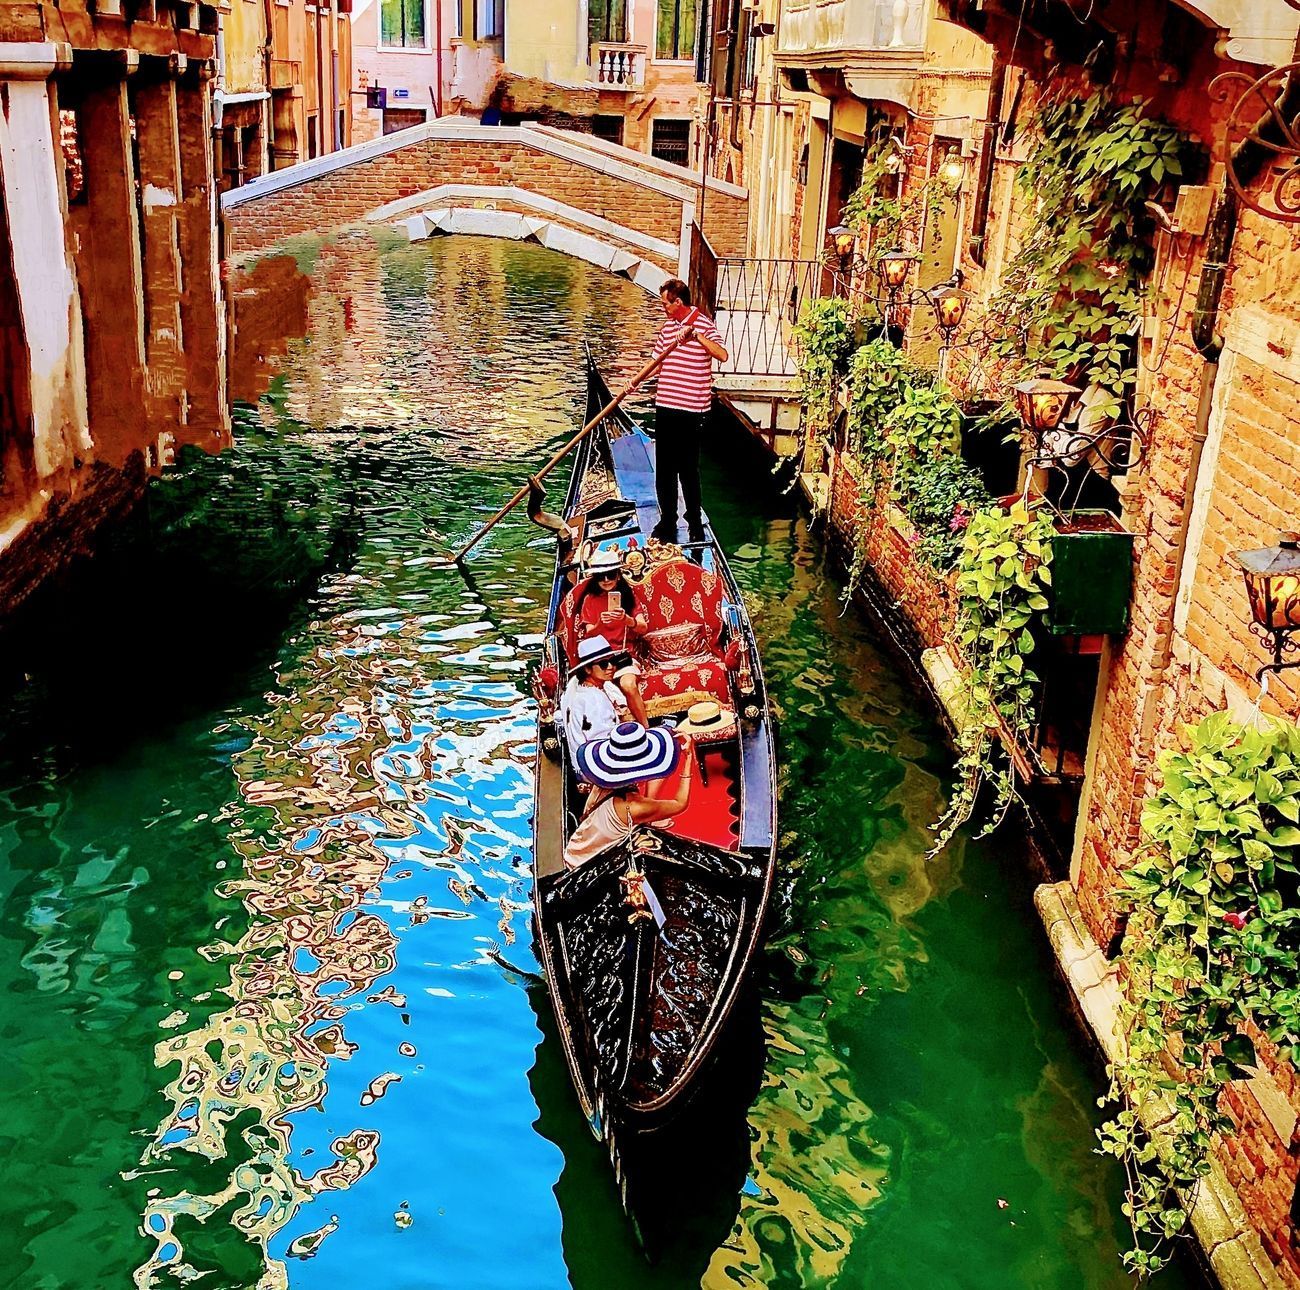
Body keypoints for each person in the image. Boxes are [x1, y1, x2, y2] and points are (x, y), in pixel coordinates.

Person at [648, 278, 728, 546]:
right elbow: (656, 364)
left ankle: (695, 523)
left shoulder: (703, 323)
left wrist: (696, 335)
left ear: (677, 302)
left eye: (665, 304)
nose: (663, 309)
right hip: (665, 407)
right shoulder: (668, 327)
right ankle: (668, 522)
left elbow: (722, 354)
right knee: (665, 470)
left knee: (688, 470)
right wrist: (634, 382)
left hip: (692, 410)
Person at [563, 722, 697, 870]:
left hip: (576, 849)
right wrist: (689, 758)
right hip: (587, 867)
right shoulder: (635, 807)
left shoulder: (602, 785)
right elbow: (680, 803)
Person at [558, 634, 648, 755]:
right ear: (587, 669)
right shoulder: (595, 701)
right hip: (598, 761)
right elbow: (601, 744)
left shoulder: (574, 685)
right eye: (603, 664)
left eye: (612, 661)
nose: (611, 667)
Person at [570, 548, 647, 655]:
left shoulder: (629, 596)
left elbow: (643, 629)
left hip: (624, 653)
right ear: (595, 579)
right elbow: (589, 634)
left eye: (610, 575)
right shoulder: (590, 600)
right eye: (601, 577)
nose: (606, 580)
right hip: (600, 654)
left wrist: (626, 619)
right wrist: (600, 624)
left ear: (618, 576)